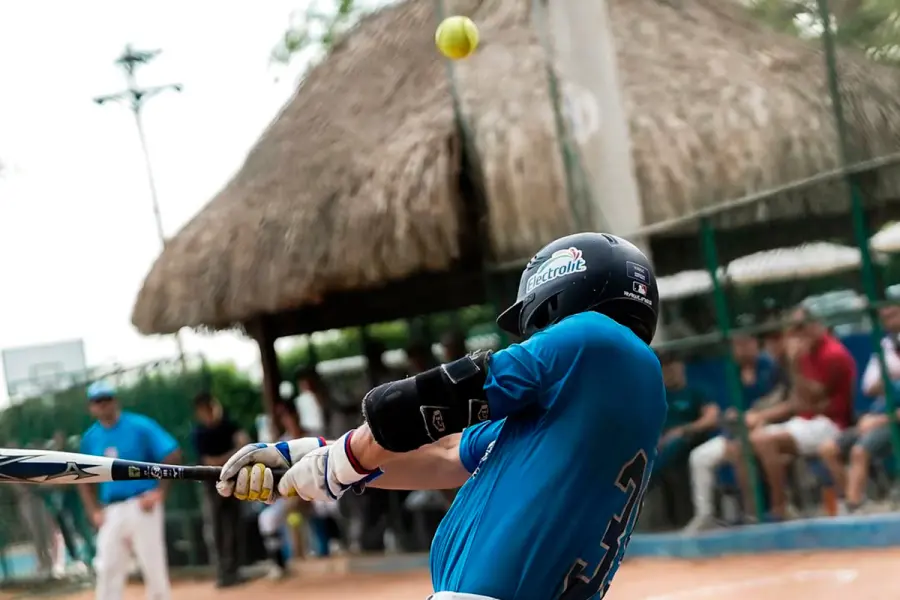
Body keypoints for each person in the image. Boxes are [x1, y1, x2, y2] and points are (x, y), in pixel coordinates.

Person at [219, 232, 668, 599]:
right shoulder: (584, 403)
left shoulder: (593, 339)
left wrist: (341, 463)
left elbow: (440, 398)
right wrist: (305, 454)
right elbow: (448, 452)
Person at [732, 305, 855, 520]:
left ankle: (781, 508)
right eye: (793, 329)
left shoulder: (832, 353)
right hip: (807, 420)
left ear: (816, 325)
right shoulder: (805, 353)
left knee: (764, 441)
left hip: (832, 424)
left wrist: (795, 364)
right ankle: (754, 514)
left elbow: (814, 397)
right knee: (743, 444)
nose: (796, 335)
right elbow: (800, 402)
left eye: (800, 328)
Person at [78, 381, 180, 600]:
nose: (103, 405)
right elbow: (83, 478)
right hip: (111, 509)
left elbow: (171, 454)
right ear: (91, 407)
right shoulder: (91, 437)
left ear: (115, 401)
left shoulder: (140, 425)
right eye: (98, 401)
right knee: (107, 567)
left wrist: (159, 492)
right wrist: (93, 511)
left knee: (152, 565)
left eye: (106, 399)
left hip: (142, 504)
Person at [683, 328, 784, 532]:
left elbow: (779, 401)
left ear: (756, 344)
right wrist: (730, 431)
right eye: (738, 345)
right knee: (699, 457)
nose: (743, 349)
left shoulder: (770, 366)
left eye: (747, 343)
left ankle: (764, 511)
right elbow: (727, 412)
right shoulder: (731, 371)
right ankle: (705, 516)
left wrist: (758, 416)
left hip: (768, 429)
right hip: (734, 433)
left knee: (743, 450)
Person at [819, 296, 900, 513]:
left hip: (890, 422)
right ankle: (858, 502)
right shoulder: (886, 346)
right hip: (876, 418)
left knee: (858, 451)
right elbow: (869, 386)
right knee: (828, 449)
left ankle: (853, 506)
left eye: (893, 314)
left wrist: (880, 420)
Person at [191, 392, 250, 588]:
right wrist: (233, 455)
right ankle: (222, 572)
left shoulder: (229, 425)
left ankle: (235, 570)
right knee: (216, 530)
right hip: (211, 486)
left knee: (234, 527)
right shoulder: (199, 433)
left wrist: (231, 456)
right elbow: (210, 461)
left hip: (233, 483)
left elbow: (245, 444)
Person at [255, 400, 308, 579]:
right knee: (267, 519)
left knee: (331, 506)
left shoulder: (314, 436)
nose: (288, 420)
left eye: (289, 415)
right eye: (284, 417)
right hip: (292, 494)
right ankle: (279, 564)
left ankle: (342, 544)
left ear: (297, 415)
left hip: (322, 491)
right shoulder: (283, 443)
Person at [652, 350, 719, 482]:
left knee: (674, 445)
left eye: (672, 365)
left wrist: (683, 430)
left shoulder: (695, 391)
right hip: (659, 442)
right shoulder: (656, 396)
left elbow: (712, 418)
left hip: (688, 440)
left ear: (681, 366)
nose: (669, 371)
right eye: (664, 367)